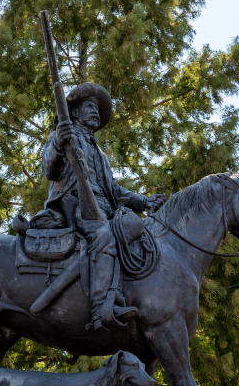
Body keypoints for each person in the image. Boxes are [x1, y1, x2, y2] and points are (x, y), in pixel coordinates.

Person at [42, 83, 165, 331]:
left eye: (97, 108)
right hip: (75, 205)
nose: (95, 111)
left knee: (136, 227)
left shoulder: (100, 152)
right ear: (74, 112)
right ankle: (101, 309)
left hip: (106, 209)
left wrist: (144, 201)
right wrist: (57, 142)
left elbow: (114, 190)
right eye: (89, 106)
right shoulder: (62, 137)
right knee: (104, 235)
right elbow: (49, 170)